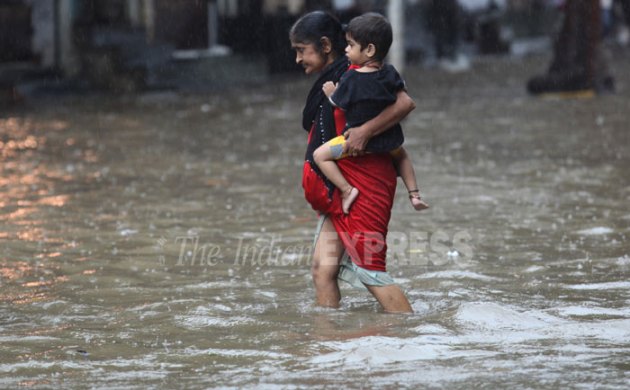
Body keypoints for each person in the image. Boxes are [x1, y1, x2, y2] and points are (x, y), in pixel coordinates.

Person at [290, 11, 416, 313]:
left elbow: (404, 103)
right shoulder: (342, 77)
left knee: (370, 270)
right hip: (339, 188)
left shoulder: (361, 73)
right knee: (322, 269)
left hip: (361, 184)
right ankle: (330, 343)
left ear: (324, 45)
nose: (297, 60)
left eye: (300, 51)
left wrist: (364, 131)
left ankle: (411, 333)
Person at [312, 13, 429, 215]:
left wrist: (332, 91)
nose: (346, 49)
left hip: (355, 143)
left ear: (369, 49)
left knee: (319, 156)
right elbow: (403, 96)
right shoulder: (391, 73)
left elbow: (337, 104)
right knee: (402, 157)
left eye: (350, 45)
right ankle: (415, 194)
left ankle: (347, 190)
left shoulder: (351, 78)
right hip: (389, 141)